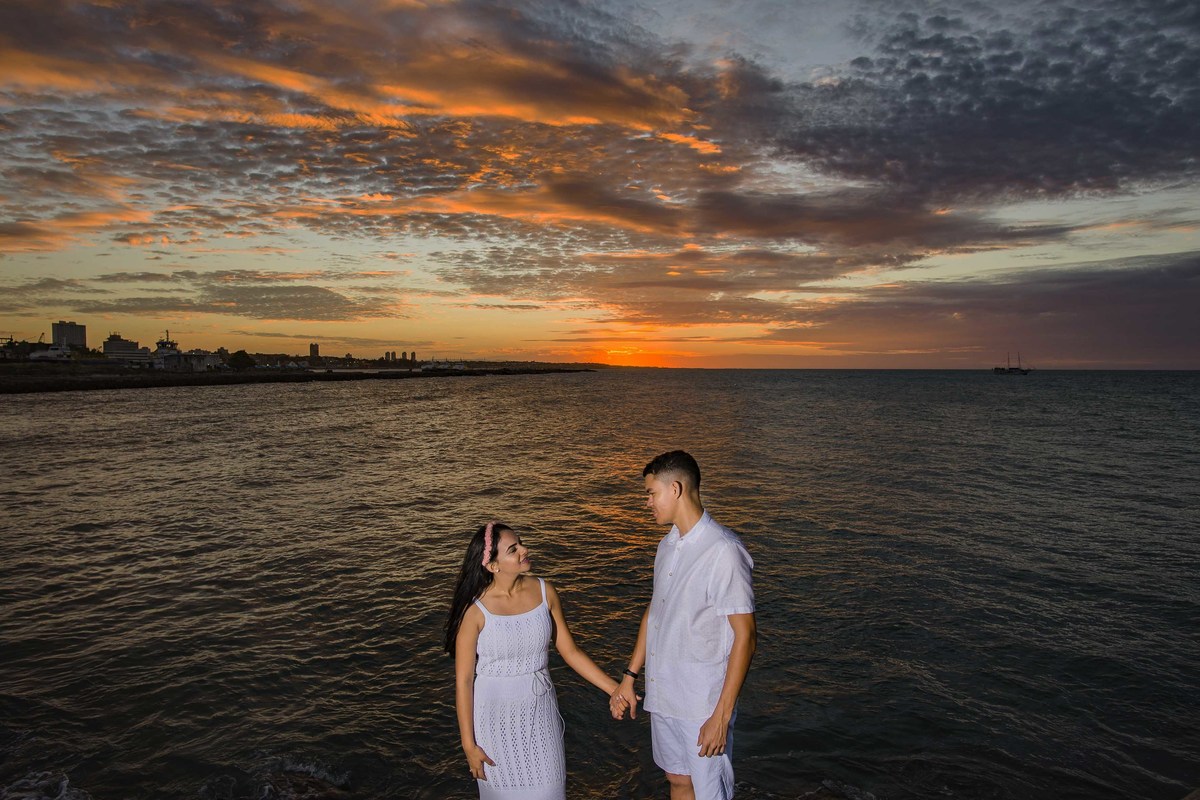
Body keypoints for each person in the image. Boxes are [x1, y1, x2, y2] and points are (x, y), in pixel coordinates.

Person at [610, 451, 757, 800]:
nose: (647, 503)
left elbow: (746, 636)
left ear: (675, 489)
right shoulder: (667, 545)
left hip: (701, 704)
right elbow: (655, 612)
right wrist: (629, 677)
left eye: (651, 493)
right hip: (664, 696)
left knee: (710, 793)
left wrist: (720, 717)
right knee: (678, 781)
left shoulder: (724, 550)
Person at [444, 521, 624, 799]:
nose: (524, 550)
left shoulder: (545, 591)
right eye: (513, 549)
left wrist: (614, 689)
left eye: (521, 543)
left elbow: (570, 651)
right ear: (493, 565)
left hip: (541, 716)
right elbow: (464, 682)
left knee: (551, 791)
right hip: (494, 724)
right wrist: (469, 745)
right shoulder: (475, 613)